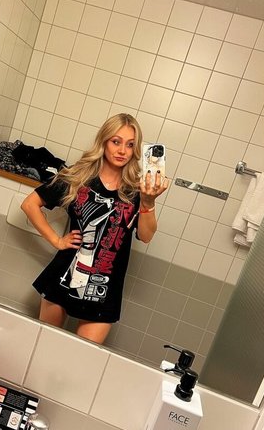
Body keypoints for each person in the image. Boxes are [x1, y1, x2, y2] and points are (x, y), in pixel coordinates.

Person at [21, 113, 168, 344]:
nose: (122, 150)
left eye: (130, 145)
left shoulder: (137, 190)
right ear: (104, 141)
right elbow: (30, 204)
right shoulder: (78, 177)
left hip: (105, 288)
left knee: (83, 355)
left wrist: (148, 202)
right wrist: (57, 240)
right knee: (44, 345)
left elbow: (146, 235)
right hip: (64, 275)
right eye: (116, 141)